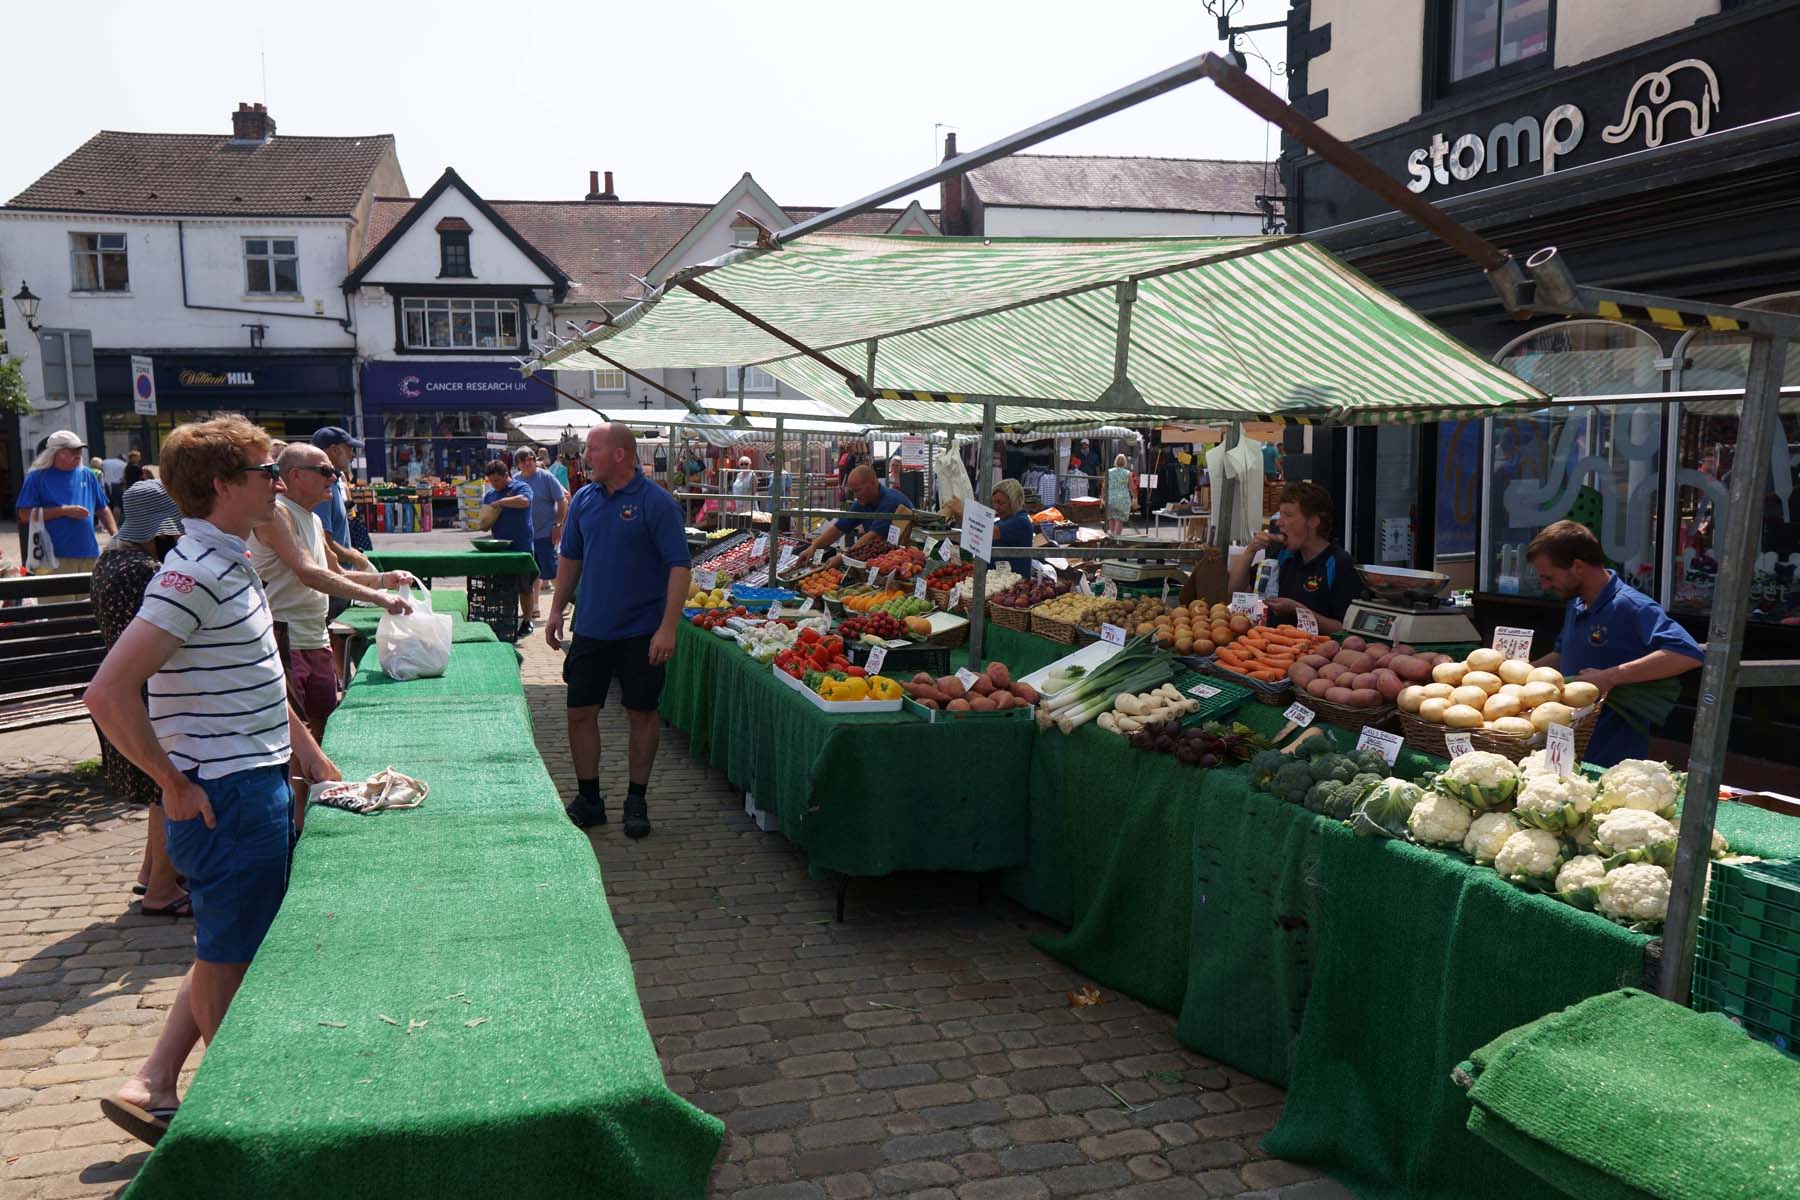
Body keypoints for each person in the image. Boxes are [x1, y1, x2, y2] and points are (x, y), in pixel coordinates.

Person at [85, 415, 341, 1147]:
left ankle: (157, 1081)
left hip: (246, 781)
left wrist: (310, 757)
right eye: (265, 472)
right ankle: (235, 1123)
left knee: (227, 942)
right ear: (226, 485)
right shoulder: (194, 572)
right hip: (226, 792)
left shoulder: (228, 559)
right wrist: (171, 782)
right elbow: (107, 693)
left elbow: (257, 678)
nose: (277, 481)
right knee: (234, 956)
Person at [547, 423, 692, 839]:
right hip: (592, 627)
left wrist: (668, 629)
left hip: (642, 632)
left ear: (620, 454)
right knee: (579, 713)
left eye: (592, 449)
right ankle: (589, 798)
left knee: (641, 714)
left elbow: (679, 568)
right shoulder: (584, 501)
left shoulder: (656, 502)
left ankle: (636, 799)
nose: (584, 456)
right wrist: (556, 610)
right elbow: (570, 559)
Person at [249, 444, 413, 745]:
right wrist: (380, 597)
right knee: (295, 742)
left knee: (323, 730)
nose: (335, 478)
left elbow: (333, 573)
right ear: (296, 475)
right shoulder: (277, 514)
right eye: (326, 471)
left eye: (334, 472)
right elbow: (309, 573)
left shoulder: (312, 518)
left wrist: (383, 579)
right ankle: (302, 793)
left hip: (316, 639)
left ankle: (317, 792)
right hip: (287, 642)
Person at [1527, 520, 1704, 766]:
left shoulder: (1631, 605)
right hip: (1569, 749)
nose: (1545, 585)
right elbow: (1561, 654)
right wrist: (1525, 674)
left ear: (1577, 567)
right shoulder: (1576, 604)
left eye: (1549, 576)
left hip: (1612, 756)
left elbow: (1687, 653)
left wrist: (1608, 678)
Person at [91, 480, 189, 917]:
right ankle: (162, 890)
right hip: (146, 691)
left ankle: (152, 873)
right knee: (167, 789)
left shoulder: (110, 558)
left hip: (128, 685)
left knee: (157, 793)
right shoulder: (143, 570)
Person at [1228, 481, 1360, 632]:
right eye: (1280, 515)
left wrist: (1298, 610)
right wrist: (1250, 551)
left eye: (1288, 515)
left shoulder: (1339, 563)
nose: (1278, 523)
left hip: (1316, 652)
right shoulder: (1283, 555)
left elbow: (1344, 629)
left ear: (1313, 521)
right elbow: (1234, 591)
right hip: (1272, 648)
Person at [17, 430, 116, 573]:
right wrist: (64, 511)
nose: (79, 454)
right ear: (56, 452)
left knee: (90, 596)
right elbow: (24, 515)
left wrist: (116, 536)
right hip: (52, 557)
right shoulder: (36, 477)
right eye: (73, 450)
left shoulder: (87, 474)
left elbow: (102, 508)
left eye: (80, 449)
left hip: (90, 554)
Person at [800, 464, 911, 558]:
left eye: (857, 490)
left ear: (873, 483)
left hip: (902, 558)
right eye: (853, 492)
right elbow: (838, 529)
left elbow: (873, 537)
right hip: (882, 558)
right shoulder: (863, 501)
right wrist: (812, 548)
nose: (855, 496)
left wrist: (843, 558)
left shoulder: (890, 501)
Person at [309, 427, 375, 579]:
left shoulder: (334, 481)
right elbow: (323, 541)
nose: (352, 455)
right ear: (334, 450)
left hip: (338, 576)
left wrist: (351, 552)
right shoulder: (322, 486)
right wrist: (353, 556)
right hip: (332, 580)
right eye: (349, 449)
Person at [514, 448, 568, 626]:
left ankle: (568, 600)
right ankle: (534, 607)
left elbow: (563, 500)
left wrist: (558, 525)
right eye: (523, 461)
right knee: (531, 573)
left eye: (530, 459)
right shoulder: (516, 480)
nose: (527, 463)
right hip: (526, 535)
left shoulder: (546, 477)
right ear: (518, 465)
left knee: (551, 572)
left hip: (546, 532)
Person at [482, 458, 536, 635]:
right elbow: (485, 521)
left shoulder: (521, 487)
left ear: (506, 475)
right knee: (502, 587)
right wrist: (484, 521)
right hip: (499, 550)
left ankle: (527, 620)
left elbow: (525, 501)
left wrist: (501, 502)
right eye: (491, 481)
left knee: (524, 588)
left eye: (497, 480)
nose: (494, 485)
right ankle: (505, 619)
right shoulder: (489, 495)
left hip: (521, 547)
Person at [990, 478, 1036, 570]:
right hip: (998, 580)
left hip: (1014, 581)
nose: (996, 507)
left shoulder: (1021, 522)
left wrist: (964, 513)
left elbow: (992, 532)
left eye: (1000, 503)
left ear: (1013, 501)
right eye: (994, 502)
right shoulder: (1002, 521)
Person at [1106, 454, 1133, 536]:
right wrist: (1135, 497)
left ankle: (1112, 534)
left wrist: (1103, 497)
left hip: (1111, 497)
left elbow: (1104, 486)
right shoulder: (1127, 473)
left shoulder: (1109, 472)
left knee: (1111, 517)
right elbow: (1131, 487)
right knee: (1119, 519)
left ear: (1115, 461)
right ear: (1125, 462)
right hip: (1123, 498)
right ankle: (1117, 537)